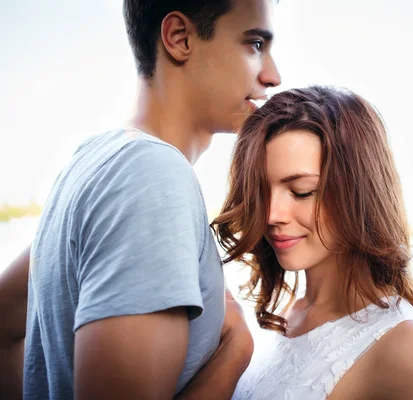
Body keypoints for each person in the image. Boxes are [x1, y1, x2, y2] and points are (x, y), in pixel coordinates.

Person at [0, 0, 281, 398]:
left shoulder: (92, 160)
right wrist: (235, 352)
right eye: (254, 43)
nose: (273, 75)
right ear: (179, 38)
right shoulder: (151, 176)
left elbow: (4, 326)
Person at [214, 86, 413, 400]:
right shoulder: (279, 312)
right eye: (261, 191)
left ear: (359, 193)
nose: (270, 214)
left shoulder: (405, 349)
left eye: (302, 191)